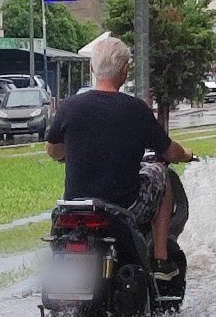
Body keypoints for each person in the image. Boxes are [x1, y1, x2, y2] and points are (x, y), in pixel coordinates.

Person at [44, 36, 195, 282]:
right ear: (125, 70)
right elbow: (169, 153)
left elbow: (53, 150)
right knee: (161, 173)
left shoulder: (70, 106)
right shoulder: (136, 109)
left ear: (93, 67)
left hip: (76, 206)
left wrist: (68, 153)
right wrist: (187, 154)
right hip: (125, 208)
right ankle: (160, 260)